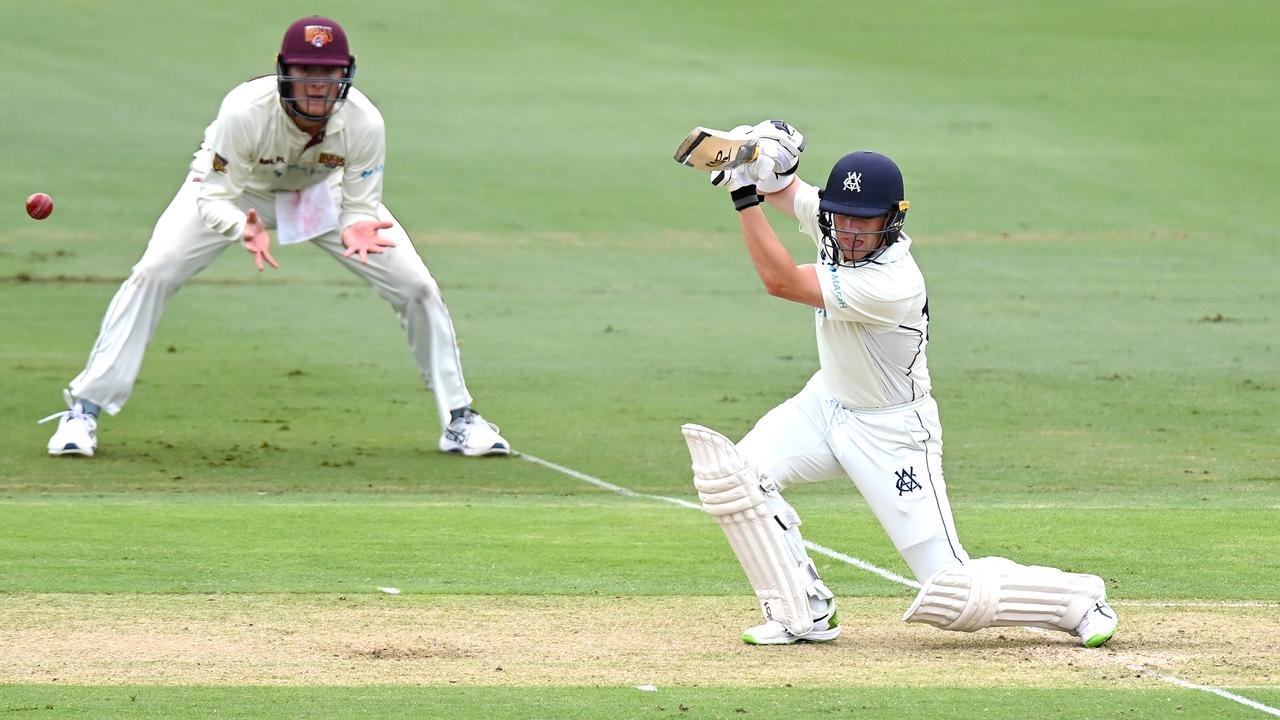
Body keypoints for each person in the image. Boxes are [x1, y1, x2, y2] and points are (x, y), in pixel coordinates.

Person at [679, 120, 1118, 647]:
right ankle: (803, 613)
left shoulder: (893, 282)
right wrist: (764, 160)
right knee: (733, 479)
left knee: (950, 587)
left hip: (891, 430)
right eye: (839, 218)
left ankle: (1077, 600)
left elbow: (781, 282)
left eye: (864, 223)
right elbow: (789, 192)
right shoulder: (837, 222)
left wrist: (743, 192)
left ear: (893, 219)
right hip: (825, 405)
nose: (849, 232)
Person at [39, 16, 508, 458]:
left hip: (320, 195)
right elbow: (214, 195)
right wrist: (239, 225)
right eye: (307, 70)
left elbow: (361, 204)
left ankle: (459, 418)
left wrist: (356, 225)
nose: (319, 83)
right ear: (285, 71)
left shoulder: (366, 122)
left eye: (331, 72)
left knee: (417, 286)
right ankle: (84, 410)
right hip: (236, 194)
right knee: (154, 271)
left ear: (346, 75)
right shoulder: (245, 110)